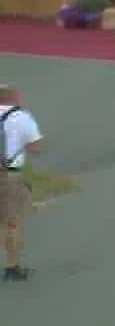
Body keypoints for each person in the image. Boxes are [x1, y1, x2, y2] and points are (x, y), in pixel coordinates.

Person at [0, 84, 43, 280]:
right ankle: (12, 266)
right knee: (12, 222)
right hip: (9, 175)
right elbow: (36, 147)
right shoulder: (22, 118)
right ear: (15, 98)